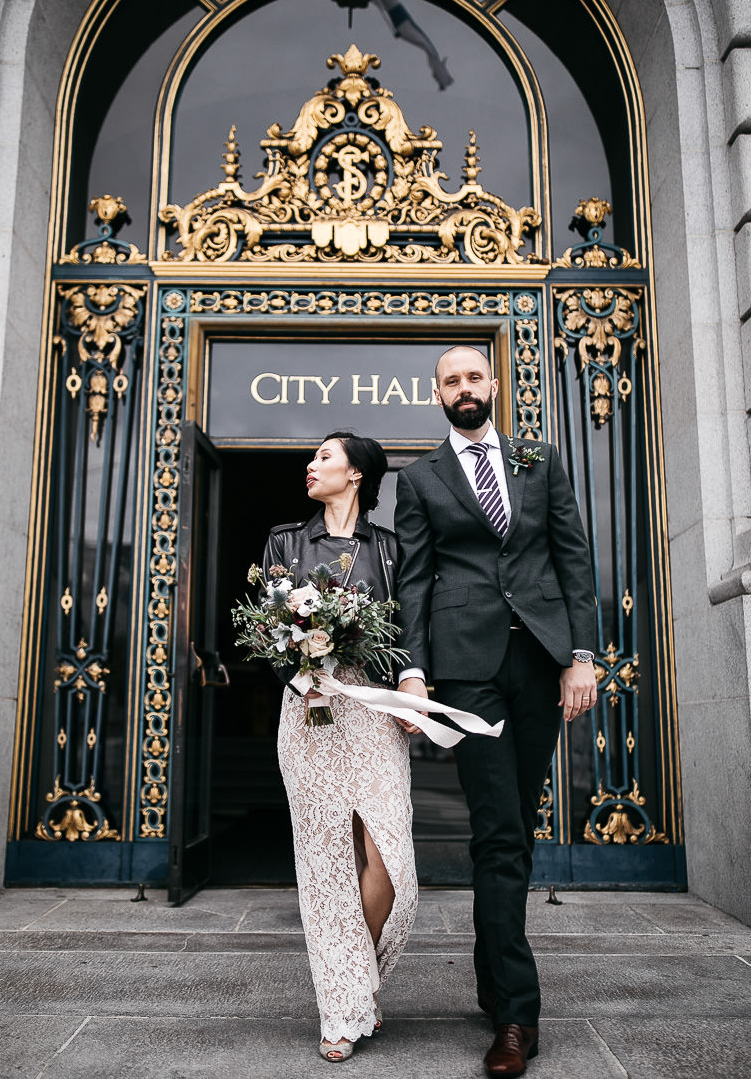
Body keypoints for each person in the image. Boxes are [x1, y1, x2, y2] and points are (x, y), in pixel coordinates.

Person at [394, 346, 597, 1078]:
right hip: (466, 668)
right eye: (452, 382)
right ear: (439, 395)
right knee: (500, 825)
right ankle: (517, 1015)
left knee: (511, 824)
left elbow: (573, 557)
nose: (465, 389)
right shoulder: (419, 478)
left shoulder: (540, 458)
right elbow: (414, 580)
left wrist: (583, 654)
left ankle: (491, 982)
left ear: (494, 384)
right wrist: (413, 673)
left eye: (474, 377)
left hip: (540, 661)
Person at [263, 430, 429, 1062]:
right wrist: (302, 666)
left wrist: (411, 683)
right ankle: (343, 1004)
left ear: (356, 473)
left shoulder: (389, 548)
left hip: (374, 712)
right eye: (313, 457)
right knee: (325, 862)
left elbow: (413, 623)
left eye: (324, 457)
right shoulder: (285, 540)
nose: (312, 465)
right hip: (310, 709)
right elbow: (267, 625)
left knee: (392, 861)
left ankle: (359, 983)